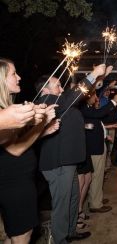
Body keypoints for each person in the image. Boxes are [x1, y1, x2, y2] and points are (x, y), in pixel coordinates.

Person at [36, 64, 106, 243]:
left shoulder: (61, 101)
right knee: (62, 204)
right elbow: (73, 96)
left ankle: (70, 231)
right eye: (57, 85)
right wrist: (93, 75)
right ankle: (60, 239)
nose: (61, 88)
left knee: (73, 198)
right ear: (45, 89)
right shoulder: (45, 101)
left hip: (70, 161)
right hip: (58, 164)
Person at [0, 58, 57, 244]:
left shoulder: (7, 109)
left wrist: (43, 130)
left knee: (14, 235)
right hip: (13, 185)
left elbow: (16, 142)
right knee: (21, 236)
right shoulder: (4, 114)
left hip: (21, 180)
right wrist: (42, 124)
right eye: (13, 73)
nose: (19, 77)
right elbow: (15, 149)